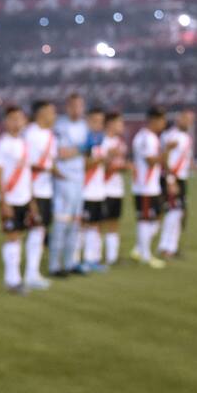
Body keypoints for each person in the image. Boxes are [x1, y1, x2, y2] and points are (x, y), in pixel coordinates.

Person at [0, 105, 38, 293]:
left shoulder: (25, 144)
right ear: (6, 122)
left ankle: (17, 278)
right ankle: (12, 280)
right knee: (12, 237)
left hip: (24, 198)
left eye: (20, 118)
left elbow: (27, 174)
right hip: (9, 199)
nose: (17, 122)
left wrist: (32, 200)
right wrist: (3, 202)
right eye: (12, 119)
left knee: (19, 236)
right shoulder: (1, 144)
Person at [49, 92, 89, 276]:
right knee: (61, 223)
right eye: (73, 106)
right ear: (67, 107)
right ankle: (54, 265)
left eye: (80, 106)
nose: (77, 109)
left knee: (75, 222)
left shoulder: (84, 126)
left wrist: (80, 151)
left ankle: (71, 261)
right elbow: (60, 153)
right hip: (63, 180)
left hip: (79, 180)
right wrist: (81, 149)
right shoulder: (59, 126)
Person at [22, 100, 58, 289]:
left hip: (46, 189)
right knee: (31, 230)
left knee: (40, 230)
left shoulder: (51, 135)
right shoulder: (30, 134)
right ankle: (28, 274)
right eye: (52, 112)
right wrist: (48, 169)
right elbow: (25, 163)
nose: (55, 116)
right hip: (31, 189)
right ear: (41, 113)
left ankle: (32, 273)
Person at [129, 107, 168, 268]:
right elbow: (151, 161)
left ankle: (139, 248)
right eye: (162, 120)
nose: (164, 124)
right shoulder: (146, 138)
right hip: (144, 187)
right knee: (145, 220)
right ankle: (145, 255)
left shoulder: (150, 137)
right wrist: (167, 152)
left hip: (152, 186)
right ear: (154, 120)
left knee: (156, 217)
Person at [158, 109, 194, 258]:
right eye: (186, 118)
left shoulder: (185, 137)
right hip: (171, 177)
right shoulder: (171, 136)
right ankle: (165, 247)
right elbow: (165, 158)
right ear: (178, 119)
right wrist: (170, 180)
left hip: (181, 177)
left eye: (191, 120)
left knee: (179, 213)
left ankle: (172, 247)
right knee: (173, 212)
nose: (189, 122)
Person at [79, 107, 110, 272]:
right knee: (83, 226)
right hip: (85, 190)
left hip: (99, 190)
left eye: (100, 121)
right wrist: (100, 160)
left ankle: (93, 258)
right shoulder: (84, 142)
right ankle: (78, 259)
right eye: (94, 121)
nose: (98, 124)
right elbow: (82, 165)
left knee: (96, 225)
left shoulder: (102, 141)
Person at [100, 111, 129, 265]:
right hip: (103, 188)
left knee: (114, 223)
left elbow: (119, 165)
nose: (122, 126)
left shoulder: (120, 143)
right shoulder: (102, 142)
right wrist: (110, 156)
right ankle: (95, 256)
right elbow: (100, 168)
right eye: (119, 123)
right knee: (98, 224)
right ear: (110, 124)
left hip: (117, 188)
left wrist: (125, 167)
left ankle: (112, 257)